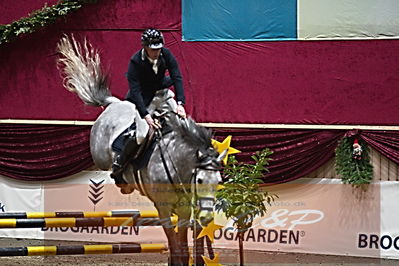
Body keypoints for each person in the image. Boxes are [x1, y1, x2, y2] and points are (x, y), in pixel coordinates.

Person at [111, 28, 187, 182]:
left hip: (163, 94)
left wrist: (180, 103)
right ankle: (120, 162)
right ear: (144, 47)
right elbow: (135, 90)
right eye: (153, 50)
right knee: (141, 134)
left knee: (183, 124)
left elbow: (177, 77)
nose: (157, 52)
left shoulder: (166, 54)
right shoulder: (135, 62)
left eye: (159, 48)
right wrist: (146, 115)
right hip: (144, 99)